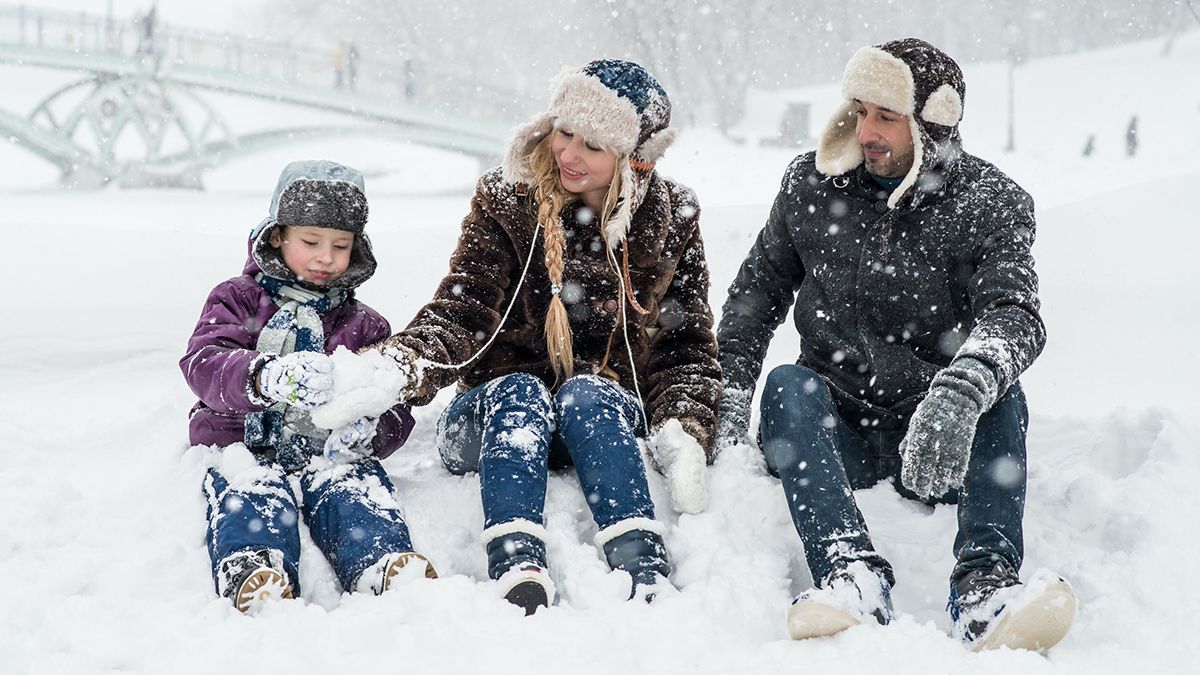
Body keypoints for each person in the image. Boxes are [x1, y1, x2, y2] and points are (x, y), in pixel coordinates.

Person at [715, 39, 1076, 652]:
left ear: (932, 123)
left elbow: (1016, 314)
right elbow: (754, 301)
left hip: (939, 441)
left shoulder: (989, 203)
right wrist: (722, 403)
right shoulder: (809, 185)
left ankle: (986, 590)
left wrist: (961, 393)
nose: (867, 131)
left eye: (886, 116)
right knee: (785, 386)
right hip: (837, 433)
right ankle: (849, 573)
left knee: (1001, 391)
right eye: (860, 111)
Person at [367, 60, 721, 614]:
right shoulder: (507, 199)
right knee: (521, 393)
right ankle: (516, 559)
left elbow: (687, 343)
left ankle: (640, 561)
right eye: (565, 132)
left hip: (597, 423)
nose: (569, 155)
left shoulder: (672, 215)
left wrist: (684, 424)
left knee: (590, 392)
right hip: (495, 419)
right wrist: (398, 365)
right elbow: (464, 308)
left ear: (634, 159)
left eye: (593, 146)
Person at [181, 160, 435, 614]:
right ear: (277, 236)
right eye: (311, 242)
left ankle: (380, 560)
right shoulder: (237, 299)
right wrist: (264, 376)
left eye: (340, 245)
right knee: (252, 489)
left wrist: (372, 429)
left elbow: (393, 402)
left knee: (354, 487)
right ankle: (255, 564)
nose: (326, 258)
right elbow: (204, 362)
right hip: (241, 441)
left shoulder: (365, 325)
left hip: (327, 451)